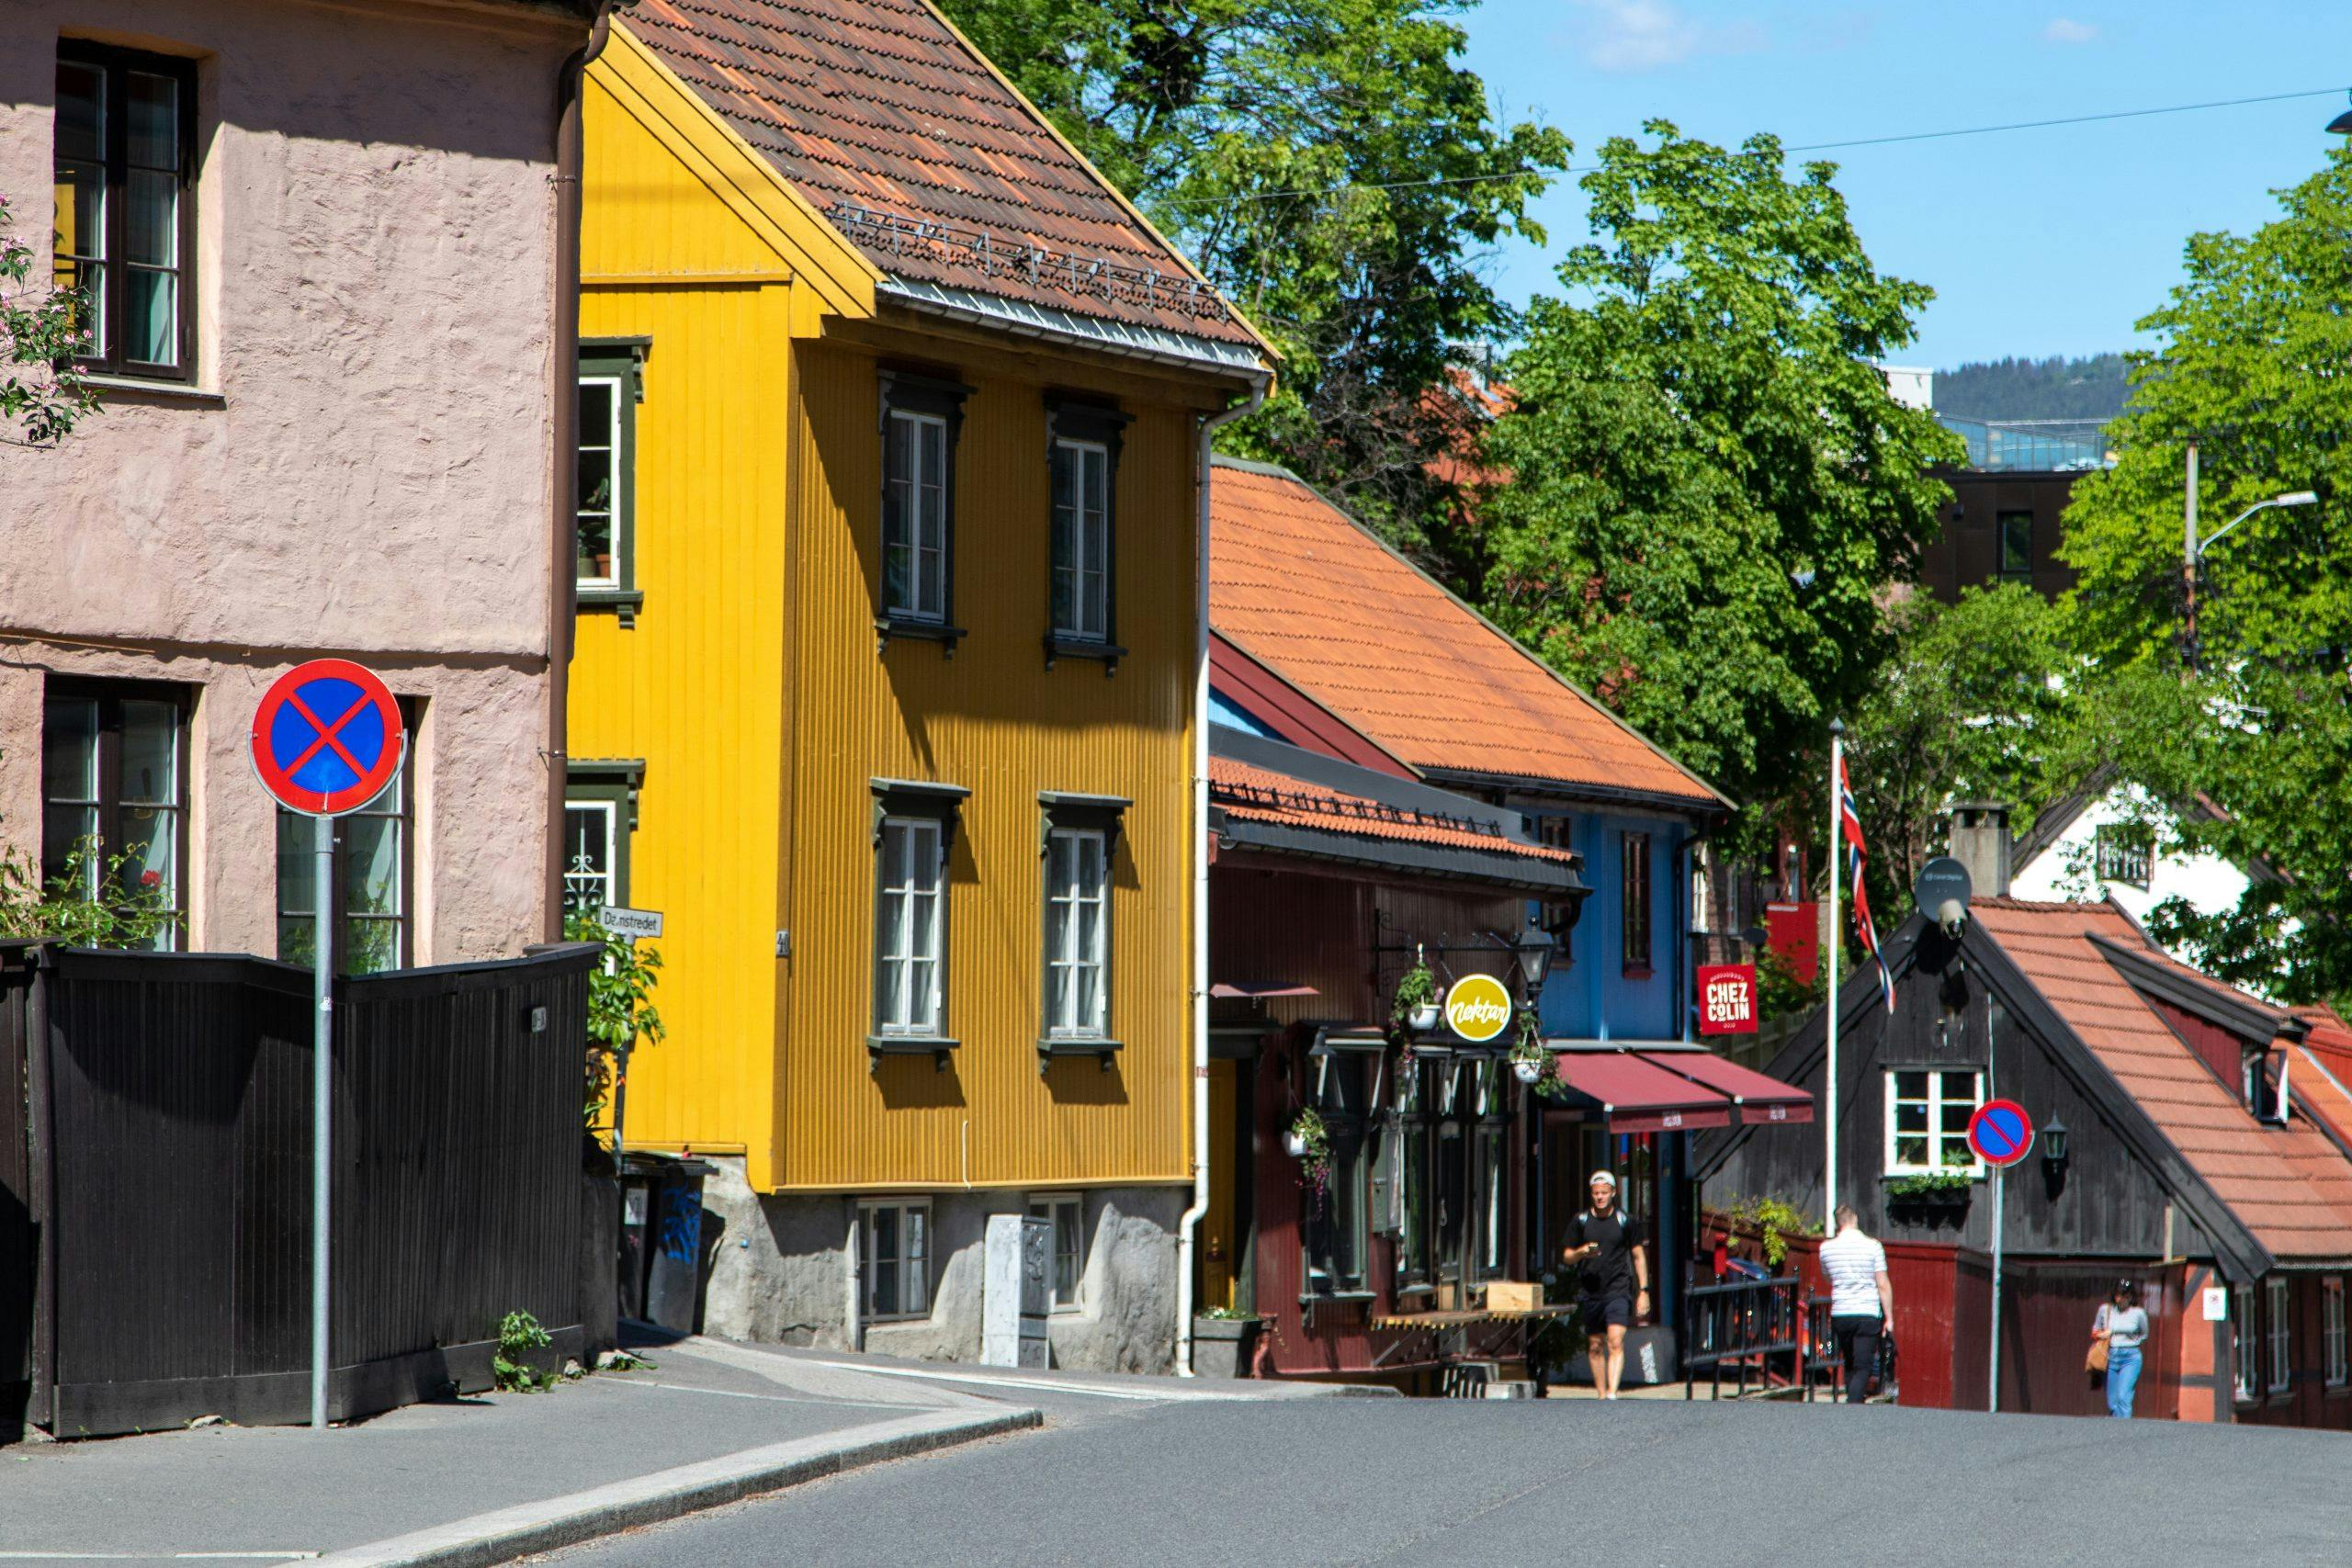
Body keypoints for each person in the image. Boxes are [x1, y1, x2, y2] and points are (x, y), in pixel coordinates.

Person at [1562, 1170, 1648, 1399]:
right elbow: (1567, 1256)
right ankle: (1601, 1393)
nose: (1600, 1197)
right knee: (1595, 1345)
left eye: (1604, 1193)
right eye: (1596, 1193)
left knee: (1615, 1340)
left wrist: (1644, 1291)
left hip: (1618, 1288)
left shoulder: (1625, 1221)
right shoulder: (1580, 1221)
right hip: (1591, 1290)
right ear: (1592, 1194)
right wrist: (1581, 1252)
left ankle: (1612, 1391)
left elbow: (1638, 1256)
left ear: (1613, 1193)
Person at [1817, 1203, 1894, 1404]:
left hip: (1841, 1311)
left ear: (1838, 1224)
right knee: (1863, 1366)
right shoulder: (1873, 1246)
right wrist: (1889, 1317)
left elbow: (1827, 1277)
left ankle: (1853, 1403)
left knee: (1849, 1362)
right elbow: (1882, 1283)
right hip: (1866, 1311)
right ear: (1855, 1219)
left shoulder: (1826, 1249)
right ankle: (1853, 1406)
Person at [2093, 1280, 2149, 1418]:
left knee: (2123, 1397)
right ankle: (2115, 1429)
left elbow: (2144, 1333)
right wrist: (2102, 1334)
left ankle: (2125, 1430)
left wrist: (2129, 1340)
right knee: (2112, 1402)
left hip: (2130, 1356)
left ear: (2131, 1296)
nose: (2121, 1298)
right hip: (2111, 1355)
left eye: (2125, 1294)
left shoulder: (2138, 1313)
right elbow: (2095, 1330)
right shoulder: (2105, 1310)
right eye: (2118, 1294)